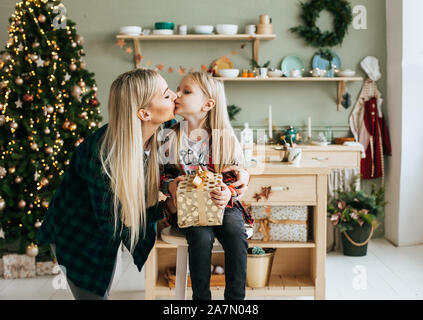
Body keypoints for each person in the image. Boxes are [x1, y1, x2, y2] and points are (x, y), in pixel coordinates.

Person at [36, 68, 178, 299]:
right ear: (144, 114)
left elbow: (199, 136)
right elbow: (112, 223)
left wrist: (238, 173)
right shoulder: (102, 158)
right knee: (94, 293)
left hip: (104, 228)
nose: (175, 95)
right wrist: (165, 209)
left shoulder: (163, 128)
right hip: (75, 233)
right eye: (165, 95)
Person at [159, 72, 253, 300]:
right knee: (200, 238)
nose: (177, 95)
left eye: (186, 91)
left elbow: (237, 177)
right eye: (178, 89)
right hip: (189, 208)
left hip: (223, 205)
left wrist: (228, 192)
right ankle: (201, 299)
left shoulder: (225, 138)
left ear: (208, 104)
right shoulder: (170, 136)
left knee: (235, 232)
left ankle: (235, 300)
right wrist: (170, 186)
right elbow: (161, 176)